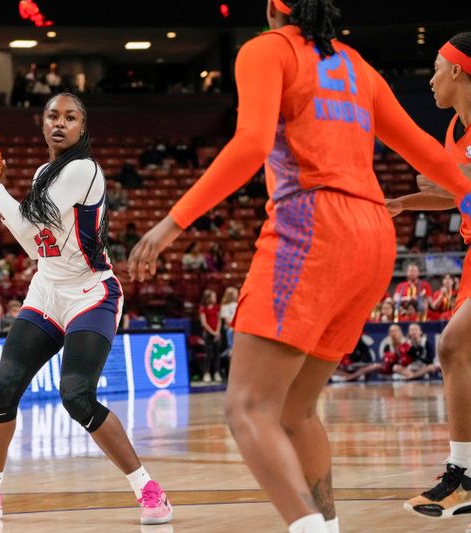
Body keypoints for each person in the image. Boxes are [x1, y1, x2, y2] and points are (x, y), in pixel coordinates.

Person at [126, 2, 471, 531]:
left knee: (246, 407)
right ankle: (326, 524)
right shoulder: (357, 64)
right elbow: (428, 152)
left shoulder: (267, 49)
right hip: (375, 236)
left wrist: (171, 222)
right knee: (295, 410)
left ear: (271, 9)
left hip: (312, 225)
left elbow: (250, 145)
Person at [0, 91, 172, 525]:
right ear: (42, 123)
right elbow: (35, 243)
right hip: (48, 290)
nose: (60, 123)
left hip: (92, 292)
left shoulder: (84, 170)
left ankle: (148, 490)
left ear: (82, 128)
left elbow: (31, 235)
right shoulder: (41, 174)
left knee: (76, 396)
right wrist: (1, 194)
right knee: (3, 388)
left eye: (70, 118)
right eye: (53, 115)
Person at [386, 32, 471, 521]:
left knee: (454, 346)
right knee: (459, 351)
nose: (432, 78)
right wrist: (405, 202)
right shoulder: (455, 130)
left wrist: (455, 188)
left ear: (459, 71)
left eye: (437, 67)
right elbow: (454, 194)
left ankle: (463, 473)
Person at [199, 289, 223, 383]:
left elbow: (219, 320)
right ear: (208, 298)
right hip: (208, 334)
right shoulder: (203, 308)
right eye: (213, 296)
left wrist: (217, 331)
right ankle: (206, 373)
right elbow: (204, 323)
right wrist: (212, 332)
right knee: (208, 353)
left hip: (217, 333)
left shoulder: (217, 307)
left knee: (217, 354)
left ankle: (217, 372)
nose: (215, 298)